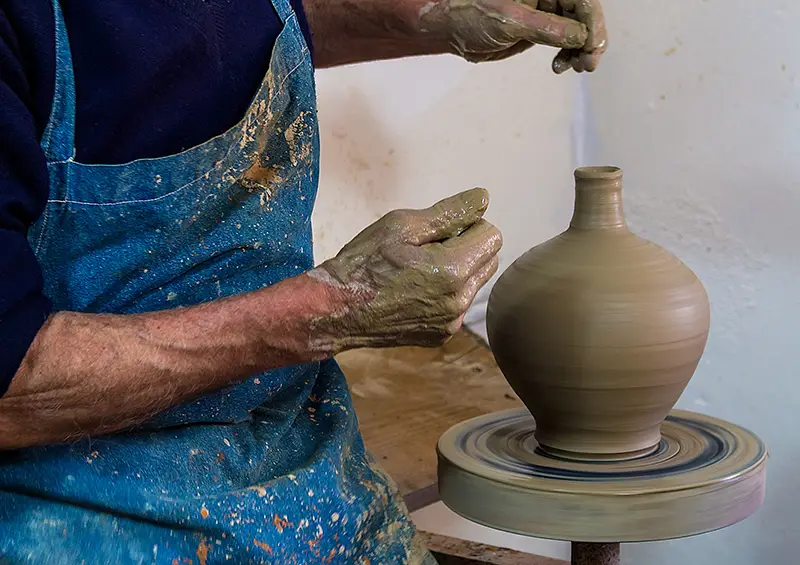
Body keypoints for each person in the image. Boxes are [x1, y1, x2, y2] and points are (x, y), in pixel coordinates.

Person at [0, 0, 606, 563]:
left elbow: (235, 28)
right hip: (83, 515)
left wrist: (429, 15)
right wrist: (331, 309)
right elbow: (11, 392)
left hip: (309, 477)